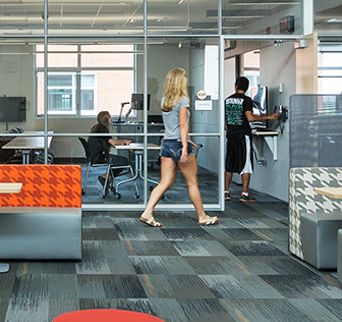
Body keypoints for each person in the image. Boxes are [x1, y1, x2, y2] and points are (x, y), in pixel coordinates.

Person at [138, 68, 218, 228]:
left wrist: (188, 140)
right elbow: (182, 124)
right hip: (178, 144)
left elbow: (172, 125)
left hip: (166, 143)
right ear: (181, 82)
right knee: (192, 183)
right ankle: (202, 216)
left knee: (164, 182)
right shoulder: (182, 100)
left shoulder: (164, 101)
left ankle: (147, 212)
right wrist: (184, 147)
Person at [221, 76, 278, 202]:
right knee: (246, 164)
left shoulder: (228, 100)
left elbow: (225, 119)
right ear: (246, 88)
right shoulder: (246, 100)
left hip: (231, 135)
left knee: (229, 164)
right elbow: (250, 118)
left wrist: (229, 128)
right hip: (243, 135)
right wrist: (270, 117)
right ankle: (244, 194)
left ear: (236, 86)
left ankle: (226, 192)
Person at [90, 110, 133, 199]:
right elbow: (113, 142)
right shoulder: (103, 129)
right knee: (124, 161)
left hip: (95, 156)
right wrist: (125, 141)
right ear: (106, 120)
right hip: (100, 157)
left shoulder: (96, 128)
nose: (111, 119)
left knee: (120, 161)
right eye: (110, 117)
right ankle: (107, 177)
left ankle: (106, 177)